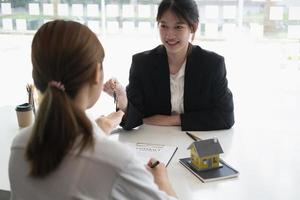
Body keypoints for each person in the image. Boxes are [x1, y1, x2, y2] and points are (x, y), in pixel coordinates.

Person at [9, 20, 177, 200]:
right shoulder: (116, 161)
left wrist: (97, 131)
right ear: (96, 73)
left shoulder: (20, 146)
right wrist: (161, 178)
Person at [104, 0, 234, 131]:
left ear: (193, 27)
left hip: (195, 140)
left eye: (178, 27)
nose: (169, 35)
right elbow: (135, 115)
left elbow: (226, 116)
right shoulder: (142, 63)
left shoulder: (212, 64)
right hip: (155, 141)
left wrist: (172, 120)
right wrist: (124, 102)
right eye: (164, 26)